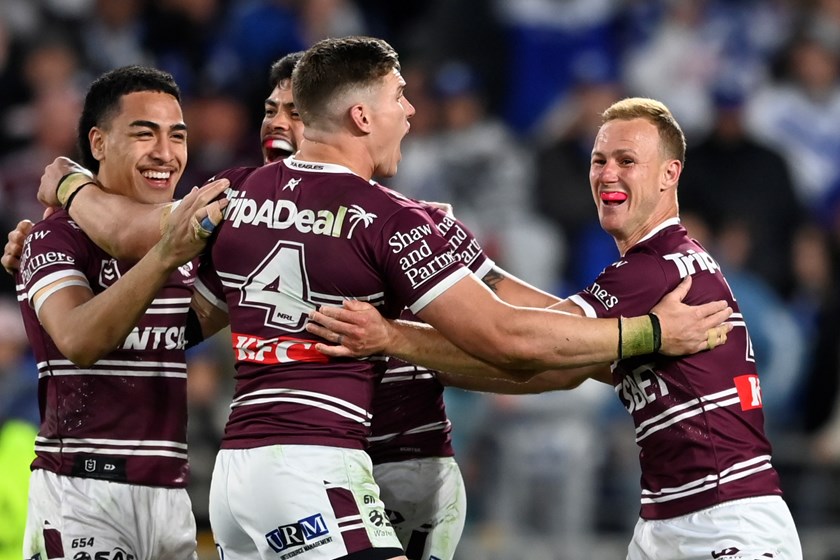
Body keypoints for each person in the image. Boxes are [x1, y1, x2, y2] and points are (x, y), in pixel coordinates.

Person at [25, 38, 730, 560]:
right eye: (399, 98)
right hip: (317, 466)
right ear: (361, 116)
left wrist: (65, 194)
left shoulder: (234, 199)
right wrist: (641, 335)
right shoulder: (395, 220)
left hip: (240, 478)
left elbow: (157, 278)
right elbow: (510, 337)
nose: (411, 111)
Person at [308, 97, 802, 560]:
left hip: (725, 523)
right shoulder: (649, 276)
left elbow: (525, 344)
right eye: (599, 159)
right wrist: (469, 266)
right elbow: (551, 365)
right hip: (668, 521)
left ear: (670, 174)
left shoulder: (657, 270)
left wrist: (394, 338)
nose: (607, 173)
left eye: (627, 160)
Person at [15, 65, 228, 560]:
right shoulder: (55, 237)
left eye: (177, 136)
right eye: (144, 133)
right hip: (82, 492)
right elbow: (80, 340)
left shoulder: (185, 243)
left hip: (171, 495)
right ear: (98, 142)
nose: (165, 153)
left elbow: (191, 324)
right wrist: (165, 257)